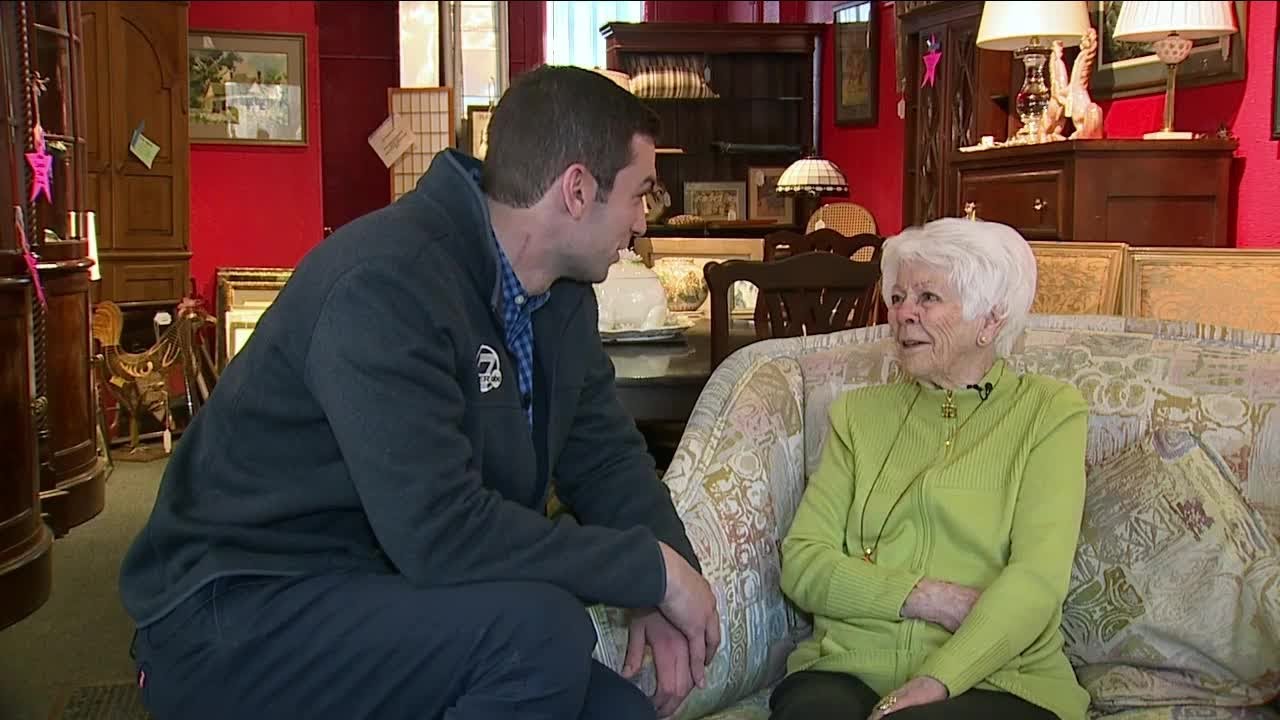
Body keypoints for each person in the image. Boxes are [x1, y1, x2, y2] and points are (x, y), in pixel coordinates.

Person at [119, 65, 720, 720]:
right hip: (236, 609)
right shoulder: (384, 282)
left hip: (383, 589)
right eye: (640, 194)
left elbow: (604, 461)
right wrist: (647, 571)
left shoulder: (563, 295)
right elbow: (442, 532)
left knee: (618, 712)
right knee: (540, 632)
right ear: (577, 190)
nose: (642, 222)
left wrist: (669, 592)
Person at [769, 218, 1090, 720]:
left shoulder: (1048, 412)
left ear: (990, 320)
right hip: (848, 667)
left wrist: (940, 678)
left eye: (927, 298)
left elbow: (1037, 581)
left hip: (999, 677)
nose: (903, 316)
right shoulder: (858, 416)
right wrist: (926, 597)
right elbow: (804, 562)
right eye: (897, 299)